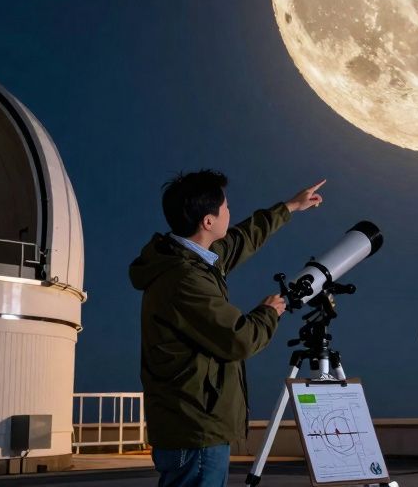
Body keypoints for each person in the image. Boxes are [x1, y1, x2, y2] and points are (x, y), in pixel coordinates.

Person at [129, 170, 326, 487]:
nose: (230, 213)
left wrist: (290, 206)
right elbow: (239, 339)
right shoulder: (186, 278)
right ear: (208, 221)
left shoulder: (188, 258)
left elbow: (243, 238)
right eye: (226, 208)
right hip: (195, 427)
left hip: (191, 421)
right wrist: (268, 312)